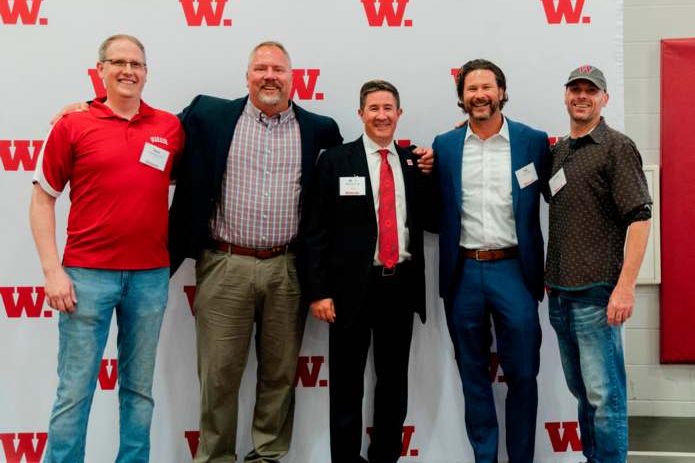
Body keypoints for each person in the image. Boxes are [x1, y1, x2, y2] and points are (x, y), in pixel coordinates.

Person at [167, 41, 343, 462]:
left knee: (280, 376)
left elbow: (353, 170)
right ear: (247, 77)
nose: (269, 76)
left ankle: (267, 456)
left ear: (292, 78)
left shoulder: (320, 128)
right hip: (225, 264)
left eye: (278, 69)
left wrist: (416, 161)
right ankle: (214, 458)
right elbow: (145, 128)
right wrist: (88, 106)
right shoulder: (209, 115)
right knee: (219, 376)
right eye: (261, 68)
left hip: (287, 269)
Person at [30, 34, 183, 463]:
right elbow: (43, 197)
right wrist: (51, 271)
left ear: (146, 73)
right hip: (85, 277)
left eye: (136, 63)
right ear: (100, 70)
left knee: (139, 392)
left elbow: (171, 180)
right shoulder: (73, 124)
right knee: (75, 389)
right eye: (118, 62)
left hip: (150, 278)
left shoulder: (168, 127)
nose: (128, 71)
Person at [429, 59, 551, 463]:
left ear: (501, 91)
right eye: (471, 89)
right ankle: (485, 457)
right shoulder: (445, 146)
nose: (479, 95)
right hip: (463, 272)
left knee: (522, 376)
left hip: (514, 270)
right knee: (473, 376)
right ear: (461, 97)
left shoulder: (531, 142)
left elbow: (561, 198)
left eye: (487, 87)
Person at [306, 79, 428, 463]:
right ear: (361, 114)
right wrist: (319, 291)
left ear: (399, 114)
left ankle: (385, 456)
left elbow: (432, 216)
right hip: (349, 291)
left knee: (393, 384)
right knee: (345, 384)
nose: (381, 115)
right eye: (373, 108)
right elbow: (315, 230)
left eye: (388, 108)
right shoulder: (336, 161)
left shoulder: (412, 163)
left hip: (400, 286)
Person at [545, 65, 651, 463]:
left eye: (592, 90)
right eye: (576, 89)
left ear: (604, 98)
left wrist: (625, 287)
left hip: (598, 298)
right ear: (566, 95)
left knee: (605, 398)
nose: (582, 96)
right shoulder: (558, 152)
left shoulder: (616, 147)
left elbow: (640, 219)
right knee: (584, 396)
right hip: (559, 296)